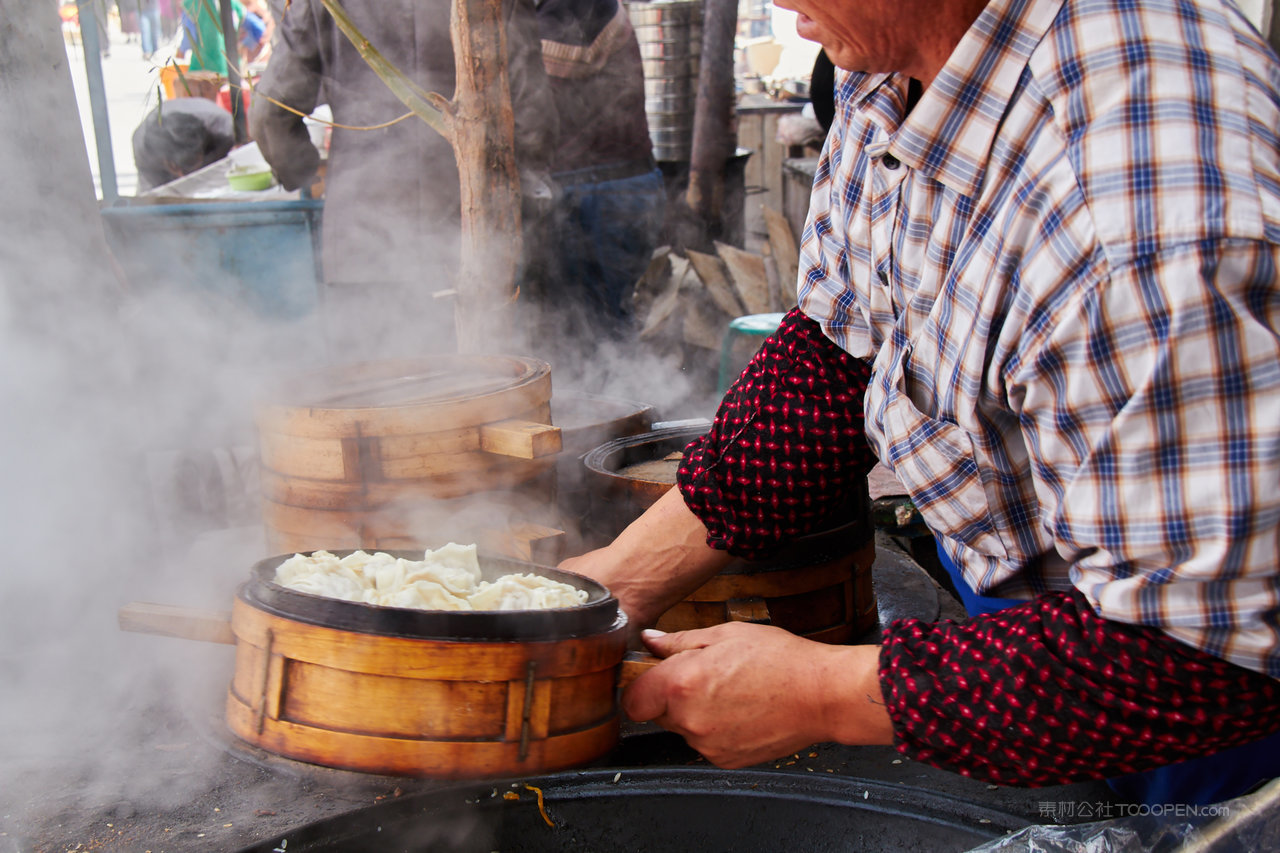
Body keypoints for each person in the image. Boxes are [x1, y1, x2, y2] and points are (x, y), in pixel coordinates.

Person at [561, 0, 1280, 807]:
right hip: (1024, 646)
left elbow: (1200, 654)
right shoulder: (883, 77)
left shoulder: (1138, 200)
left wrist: (822, 692)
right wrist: (617, 582)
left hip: (1207, 727)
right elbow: (839, 352)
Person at [248, 0, 558, 356]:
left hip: (361, 247)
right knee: (478, 397)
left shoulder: (321, 4)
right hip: (471, 247)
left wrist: (305, 171)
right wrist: (512, 194)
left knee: (377, 399)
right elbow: (536, 122)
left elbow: (270, 115)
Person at [525, 0, 665, 357]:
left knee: (573, 326)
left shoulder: (538, 25)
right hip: (632, 181)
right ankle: (627, 403)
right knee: (615, 317)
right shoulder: (612, 13)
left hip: (572, 189)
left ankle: (599, 406)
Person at [131, 96, 235, 191]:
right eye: (178, 169)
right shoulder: (146, 153)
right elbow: (150, 198)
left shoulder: (224, 129)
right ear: (168, 163)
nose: (182, 175)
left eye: (190, 167)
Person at [181, 0, 244, 75]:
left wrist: (181, 51)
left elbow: (189, 39)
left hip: (202, 69)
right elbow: (255, 27)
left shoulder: (191, 3)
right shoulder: (232, 2)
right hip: (229, 68)